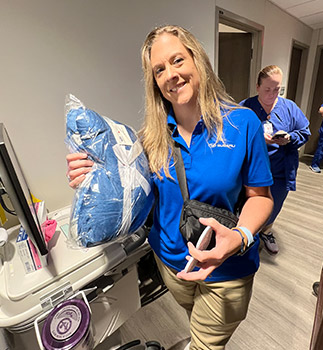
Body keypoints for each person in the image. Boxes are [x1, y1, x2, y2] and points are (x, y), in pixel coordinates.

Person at [66, 25, 273, 350]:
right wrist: (91, 177)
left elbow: (260, 198)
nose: (170, 74)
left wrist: (240, 236)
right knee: (195, 323)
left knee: (206, 344)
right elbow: (130, 196)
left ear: (197, 60)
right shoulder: (149, 138)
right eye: (159, 69)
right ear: (154, 82)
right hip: (170, 264)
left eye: (177, 60)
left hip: (226, 270)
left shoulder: (242, 124)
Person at [240, 65, 310, 255]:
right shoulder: (245, 107)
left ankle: (267, 231)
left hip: (280, 171)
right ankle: (248, 235)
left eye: (277, 89)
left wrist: (289, 139)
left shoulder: (289, 107)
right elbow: (234, 136)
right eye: (267, 90)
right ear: (257, 87)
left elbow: (305, 132)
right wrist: (256, 137)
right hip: (251, 171)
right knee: (249, 205)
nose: (272, 94)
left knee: (274, 205)